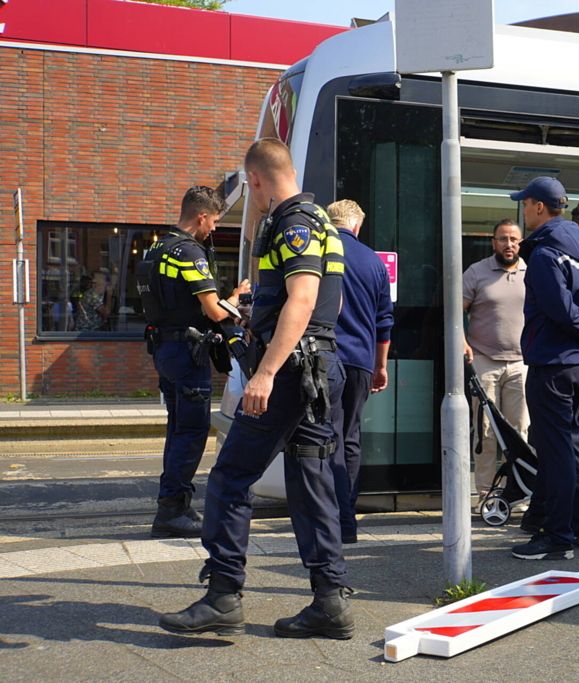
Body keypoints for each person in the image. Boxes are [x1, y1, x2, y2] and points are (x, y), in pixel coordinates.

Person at [160, 138, 352, 640]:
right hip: (317, 369)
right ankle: (329, 603)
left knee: (230, 476)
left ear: (258, 181)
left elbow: (303, 298)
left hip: (290, 372)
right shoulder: (323, 222)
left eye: (253, 189)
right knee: (311, 484)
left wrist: (265, 372)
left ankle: (223, 595)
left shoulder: (293, 222)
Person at [509, 177, 579, 561]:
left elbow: (557, 308)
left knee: (556, 452)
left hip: (552, 365)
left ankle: (556, 537)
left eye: (525, 205)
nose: (522, 211)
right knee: (570, 448)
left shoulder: (543, 253)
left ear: (540, 207)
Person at [140, 185, 250, 539]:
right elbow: (213, 309)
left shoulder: (157, 247)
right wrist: (235, 298)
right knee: (190, 432)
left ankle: (177, 504)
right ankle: (171, 510)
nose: (214, 229)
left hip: (165, 350)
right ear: (202, 216)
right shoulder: (189, 251)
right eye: (215, 221)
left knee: (177, 430)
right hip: (188, 353)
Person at [325, 199, 394, 545]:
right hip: (362, 362)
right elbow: (384, 322)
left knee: (326, 437)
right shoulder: (374, 262)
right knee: (349, 438)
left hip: (325, 358)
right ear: (356, 225)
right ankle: (347, 518)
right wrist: (380, 365)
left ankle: (333, 517)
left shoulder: (319, 251)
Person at [462, 218, 530, 505]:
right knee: (486, 433)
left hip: (523, 363)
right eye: (503, 239)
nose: (509, 244)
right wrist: (463, 343)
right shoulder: (476, 272)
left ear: (521, 243)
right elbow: (455, 311)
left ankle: (519, 492)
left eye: (514, 239)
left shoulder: (534, 271)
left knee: (520, 431)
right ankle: (485, 496)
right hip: (484, 361)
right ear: (493, 242)